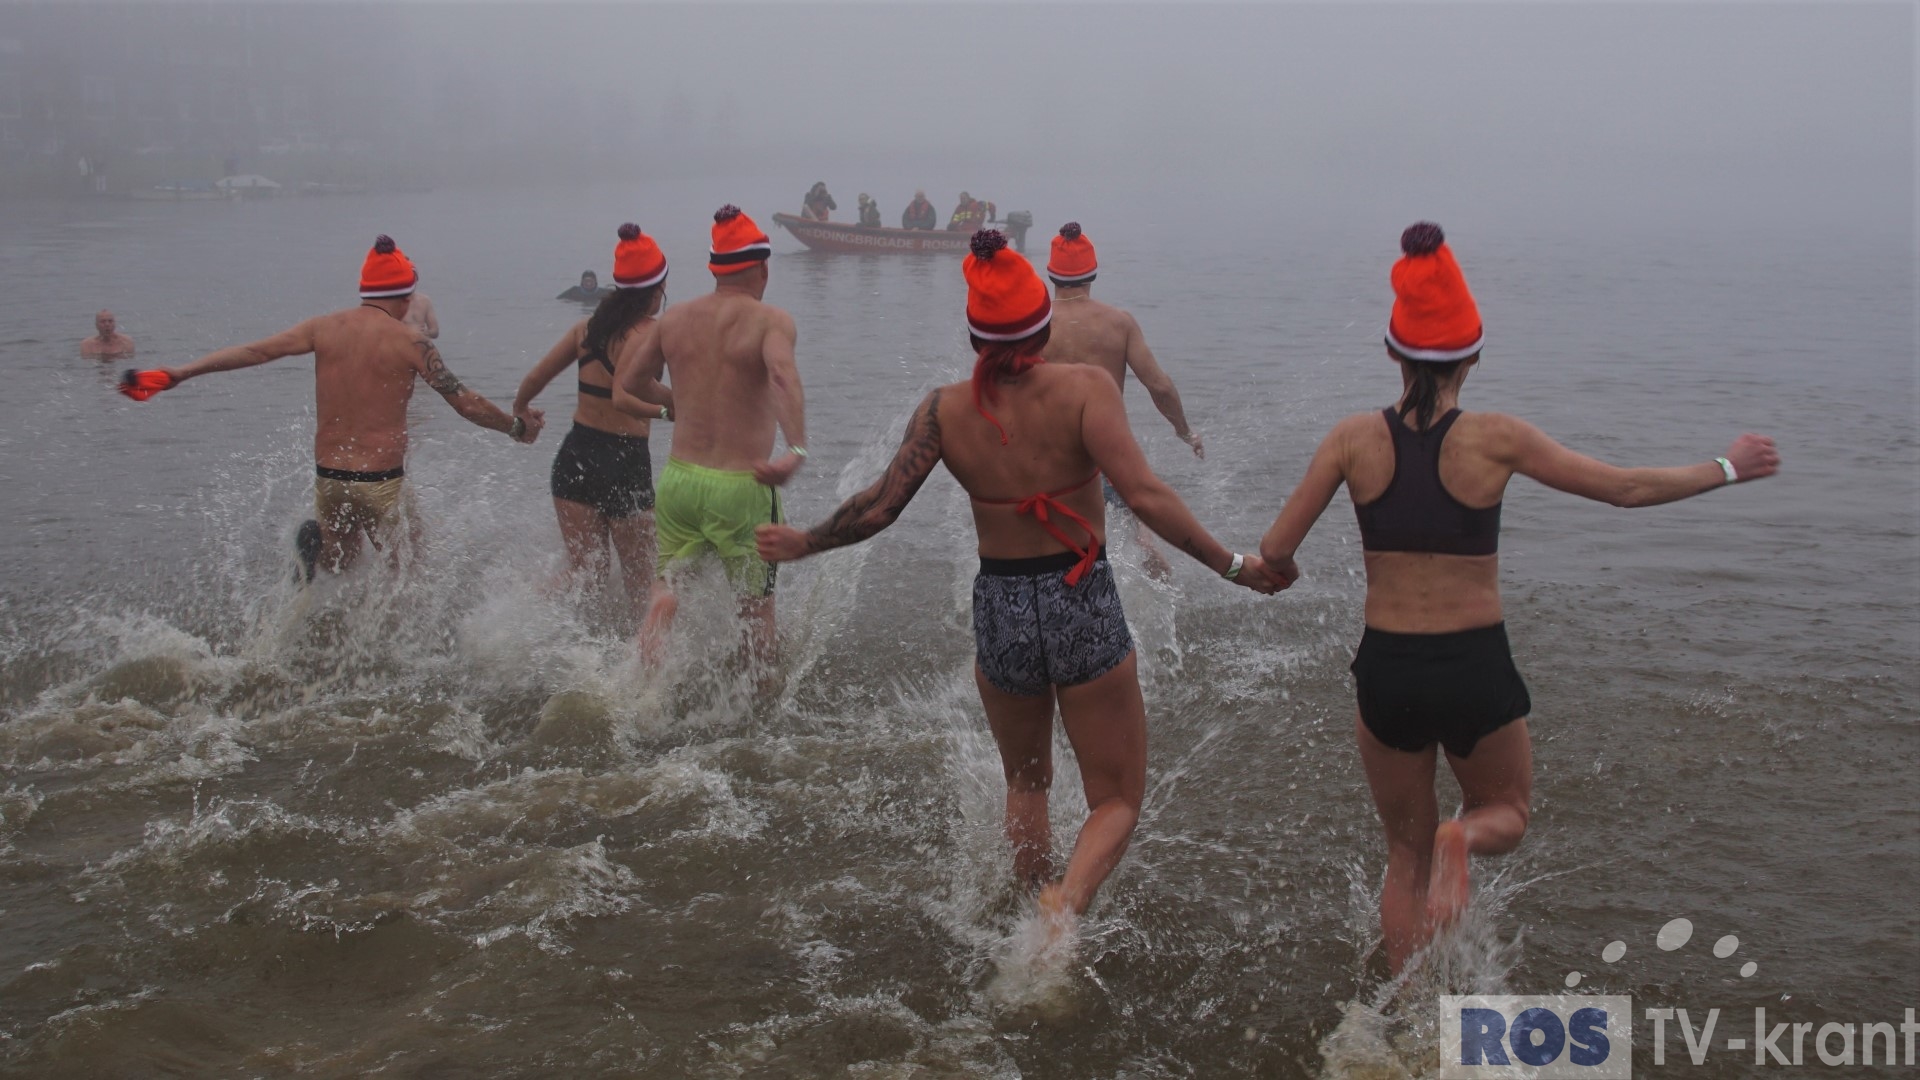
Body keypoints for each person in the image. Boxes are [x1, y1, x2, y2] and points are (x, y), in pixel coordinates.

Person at [1256, 222, 1781, 973]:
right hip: (1474, 665)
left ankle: (1401, 1014)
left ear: (1392, 353)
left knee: (1402, 852)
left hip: (1388, 668)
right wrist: (1727, 467)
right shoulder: (1498, 439)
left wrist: (1275, 572)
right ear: (1471, 353)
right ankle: (1462, 840)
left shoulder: (1350, 441)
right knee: (1505, 813)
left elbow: (1276, 551)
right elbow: (1623, 490)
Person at [757, 230, 1282, 936]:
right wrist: (1233, 567)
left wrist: (806, 542)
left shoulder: (944, 410)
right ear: (1041, 326)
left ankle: (1026, 908)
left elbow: (880, 506)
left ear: (976, 337)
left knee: (1026, 781)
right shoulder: (1087, 390)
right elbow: (1148, 497)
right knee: (1117, 798)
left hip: (1001, 606)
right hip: (1079, 596)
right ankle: (1062, 907)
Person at [118, 235, 542, 577]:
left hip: (330, 478)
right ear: (407, 295)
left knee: (341, 560)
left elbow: (254, 351)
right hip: (381, 481)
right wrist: (516, 428)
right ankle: (392, 660)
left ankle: (314, 551)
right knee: (409, 570)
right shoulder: (411, 342)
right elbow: (465, 402)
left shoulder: (323, 328)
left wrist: (181, 372)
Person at [613, 205, 805, 672]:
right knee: (756, 613)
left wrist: (674, 403)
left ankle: (646, 680)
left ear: (716, 270)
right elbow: (781, 376)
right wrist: (795, 448)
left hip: (680, 483)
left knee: (668, 586)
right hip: (742, 488)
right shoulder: (770, 320)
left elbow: (630, 382)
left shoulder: (675, 318)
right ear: (762, 267)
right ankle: (758, 714)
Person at [513, 225, 673, 621]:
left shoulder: (585, 329)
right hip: (625, 461)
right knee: (643, 584)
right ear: (657, 288)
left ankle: (515, 616)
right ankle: (639, 666)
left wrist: (521, 409)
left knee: (586, 574)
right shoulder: (653, 335)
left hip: (575, 456)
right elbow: (635, 395)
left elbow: (536, 377)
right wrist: (675, 411)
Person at [1042, 222, 1204, 579]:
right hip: (1106, 453)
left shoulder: (1036, 323)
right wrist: (1184, 432)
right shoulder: (1118, 323)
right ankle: (1167, 623)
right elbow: (1159, 387)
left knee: (1050, 545)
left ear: (1051, 274)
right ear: (1091, 275)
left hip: (1048, 455)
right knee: (1140, 542)